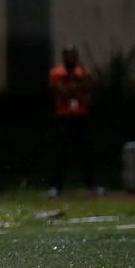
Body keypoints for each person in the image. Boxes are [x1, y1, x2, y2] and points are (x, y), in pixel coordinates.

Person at [48, 43, 97, 197]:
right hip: (64, 116)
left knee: (86, 152)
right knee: (60, 153)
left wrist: (73, 88)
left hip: (81, 116)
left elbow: (88, 86)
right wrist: (75, 88)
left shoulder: (83, 71)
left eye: (74, 55)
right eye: (69, 55)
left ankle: (91, 185)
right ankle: (56, 186)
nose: (72, 58)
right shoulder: (57, 72)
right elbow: (60, 91)